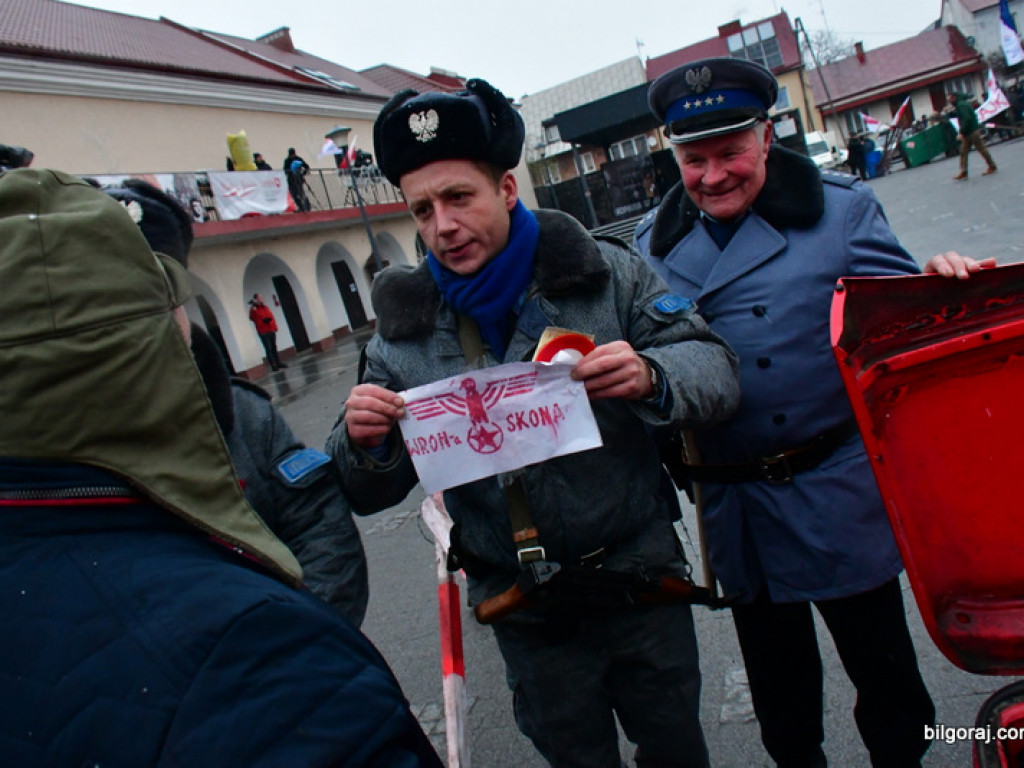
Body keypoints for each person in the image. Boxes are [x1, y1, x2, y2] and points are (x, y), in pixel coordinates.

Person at [327, 78, 741, 768]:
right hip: (524, 606)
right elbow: (366, 487)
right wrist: (363, 441)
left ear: (508, 190)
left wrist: (652, 375)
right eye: (422, 210)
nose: (442, 226)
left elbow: (716, 368)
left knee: (676, 750)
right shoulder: (401, 335)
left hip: (638, 579)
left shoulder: (606, 276)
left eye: (459, 197)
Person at [0, 167, 442, 768]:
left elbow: (318, 514)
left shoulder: (244, 414)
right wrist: (295, 635)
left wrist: (314, 617)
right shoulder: (257, 655)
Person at [634, 57, 999, 768]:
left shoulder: (843, 210)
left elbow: (900, 324)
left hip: (834, 488)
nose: (712, 176)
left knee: (889, 682)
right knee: (782, 701)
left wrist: (945, 283)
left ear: (767, 138)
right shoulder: (652, 244)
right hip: (733, 507)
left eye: (730, 152)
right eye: (693, 158)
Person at [105, 179, 369, 626]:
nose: (155, 325)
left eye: (165, 302)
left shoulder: (244, 414)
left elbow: (320, 530)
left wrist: (298, 647)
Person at [948, 90, 997, 180]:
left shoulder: (961, 105)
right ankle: (964, 171)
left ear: (954, 97)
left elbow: (966, 118)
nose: (949, 100)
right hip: (969, 132)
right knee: (963, 152)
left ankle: (992, 166)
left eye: (950, 98)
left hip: (971, 132)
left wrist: (961, 132)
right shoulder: (961, 104)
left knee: (981, 149)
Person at [248, 292, 287, 371]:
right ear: (256, 299)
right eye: (260, 298)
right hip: (263, 331)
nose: (262, 299)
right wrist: (253, 306)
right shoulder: (254, 309)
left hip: (270, 329)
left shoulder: (265, 307)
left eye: (261, 298)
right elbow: (252, 317)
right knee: (268, 348)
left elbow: (271, 317)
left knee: (274, 347)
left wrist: (274, 327)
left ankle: (278, 362)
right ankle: (273, 365)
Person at [283, 147, 312, 212]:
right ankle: (301, 208)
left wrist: (302, 174)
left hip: (298, 179)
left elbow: (306, 167)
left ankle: (307, 207)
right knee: (294, 195)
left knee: (301, 194)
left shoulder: (298, 159)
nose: (292, 155)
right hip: (291, 180)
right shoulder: (288, 160)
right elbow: (285, 170)